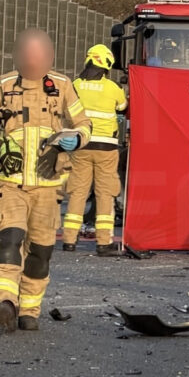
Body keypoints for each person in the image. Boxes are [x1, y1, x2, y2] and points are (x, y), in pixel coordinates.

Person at [0, 28, 91, 332]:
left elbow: (84, 123)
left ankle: (30, 309)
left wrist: (76, 138)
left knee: (40, 253)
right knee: (9, 241)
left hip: (48, 188)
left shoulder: (63, 86)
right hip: (10, 184)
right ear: (17, 57)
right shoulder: (4, 86)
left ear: (50, 58)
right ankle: (5, 301)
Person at [61, 44, 127, 256]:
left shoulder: (75, 85)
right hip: (106, 147)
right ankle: (103, 242)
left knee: (78, 193)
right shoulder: (113, 88)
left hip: (80, 145)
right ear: (107, 63)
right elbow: (122, 107)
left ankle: (69, 240)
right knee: (105, 193)